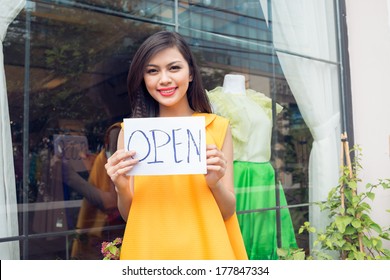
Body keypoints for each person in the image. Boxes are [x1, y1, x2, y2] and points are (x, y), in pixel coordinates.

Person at [104, 31, 247, 260]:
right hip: (149, 250)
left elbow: (228, 211)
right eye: (153, 71)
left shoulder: (217, 128)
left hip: (206, 249)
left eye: (174, 68)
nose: (164, 79)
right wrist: (121, 186)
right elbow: (130, 215)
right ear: (143, 78)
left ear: (190, 73)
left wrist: (214, 183)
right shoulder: (130, 135)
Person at [207, 74, 298, 260]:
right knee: (238, 232)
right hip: (235, 174)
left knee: (268, 236)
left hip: (264, 175)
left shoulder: (259, 100)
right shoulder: (214, 101)